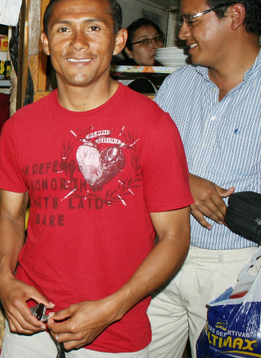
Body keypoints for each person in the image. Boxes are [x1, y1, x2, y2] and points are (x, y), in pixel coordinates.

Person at [0, 0, 194, 356]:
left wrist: (113, 307)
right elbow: (9, 216)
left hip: (114, 330)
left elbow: (174, 236)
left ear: (118, 41)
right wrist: (5, 280)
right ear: (44, 42)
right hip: (29, 326)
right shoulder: (19, 128)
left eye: (94, 28)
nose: (78, 42)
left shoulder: (153, 125)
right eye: (64, 29)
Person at [147, 0, 261, 357]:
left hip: (238, 271)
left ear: (235, 16)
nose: (181, 34)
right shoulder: (178, 85)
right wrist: (180, 179)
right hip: (161, 256)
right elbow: (139, 159)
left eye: (190, 20)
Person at [116, 18, 165, 93]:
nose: (155, 45)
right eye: (144, 41)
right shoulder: (140, 85)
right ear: (129, 51)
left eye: (157, 38)